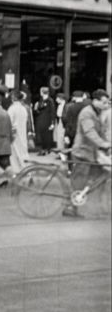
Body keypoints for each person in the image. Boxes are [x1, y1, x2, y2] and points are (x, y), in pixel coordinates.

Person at [62, 89, 111, 218]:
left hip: (92, 153)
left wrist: (106, 144)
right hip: (82, 152)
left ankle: (98, 205)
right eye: (104, 103)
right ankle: (70, 206)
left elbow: (100, 132)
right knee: (79, 181)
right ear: (95, 101)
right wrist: (103, 144)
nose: (107, 105)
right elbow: (90, 132)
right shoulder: (87, 113)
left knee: (100, 176)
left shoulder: (97, 112)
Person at [7, 90, 29, 173]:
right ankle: (26, 172)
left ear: (13, 98)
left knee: (14, 155)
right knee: (23, 153)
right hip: (22, 133)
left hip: (14, 134)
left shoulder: (12, 109)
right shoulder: (23, 108)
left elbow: (8, 121)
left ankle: (17, 173)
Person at [33, 86, 56, 155]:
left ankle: (47, 149)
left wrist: (52, 123)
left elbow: (52, 112)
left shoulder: (50, 101)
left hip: (47, 120)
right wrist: (36, 109)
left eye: (41, 91)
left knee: (47, 136)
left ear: (43, 92)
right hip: (40, 120)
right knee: (41, 135)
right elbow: (38, 110)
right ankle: (42, 149)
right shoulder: (41, 100)